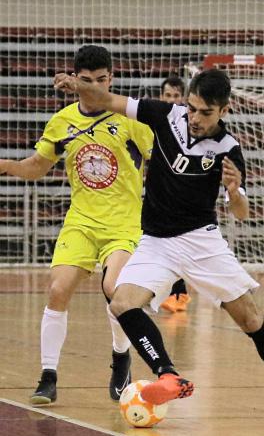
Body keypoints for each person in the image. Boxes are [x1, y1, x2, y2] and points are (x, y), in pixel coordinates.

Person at [54, 68, 264, 406]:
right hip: (156, 242)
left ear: (224, 111)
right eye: (192, 107)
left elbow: (241, 212)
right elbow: (108, 99)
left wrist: (235, 191)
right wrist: (77, 85)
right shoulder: (165, 114)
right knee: (121, 303)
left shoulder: (228, 148)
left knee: (251, 318)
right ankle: (167, 374)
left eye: (205, 112)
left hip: (201, 241)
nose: (195, 118)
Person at [0, 45, 153, 405]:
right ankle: (48, 376)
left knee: (115, 288)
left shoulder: (130, 120)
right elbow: (37, 167)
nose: (96, 88)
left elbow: (158, 160)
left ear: (111, 79)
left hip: (124, 225)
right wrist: (6, 164)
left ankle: (121, 356)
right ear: (76, 80)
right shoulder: (63, 121)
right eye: (88, 81)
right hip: (81, 223)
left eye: (102, 81)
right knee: (57, 290)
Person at [159, 75, 191, 313]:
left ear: (184, 98)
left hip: (186, 194)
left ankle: (179, 293)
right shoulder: (157, 121)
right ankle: (175, 292)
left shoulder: (191, 124)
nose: (171, 100)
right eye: (167, 96)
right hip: (162, 192)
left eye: (176, 96)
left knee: (179, 242)